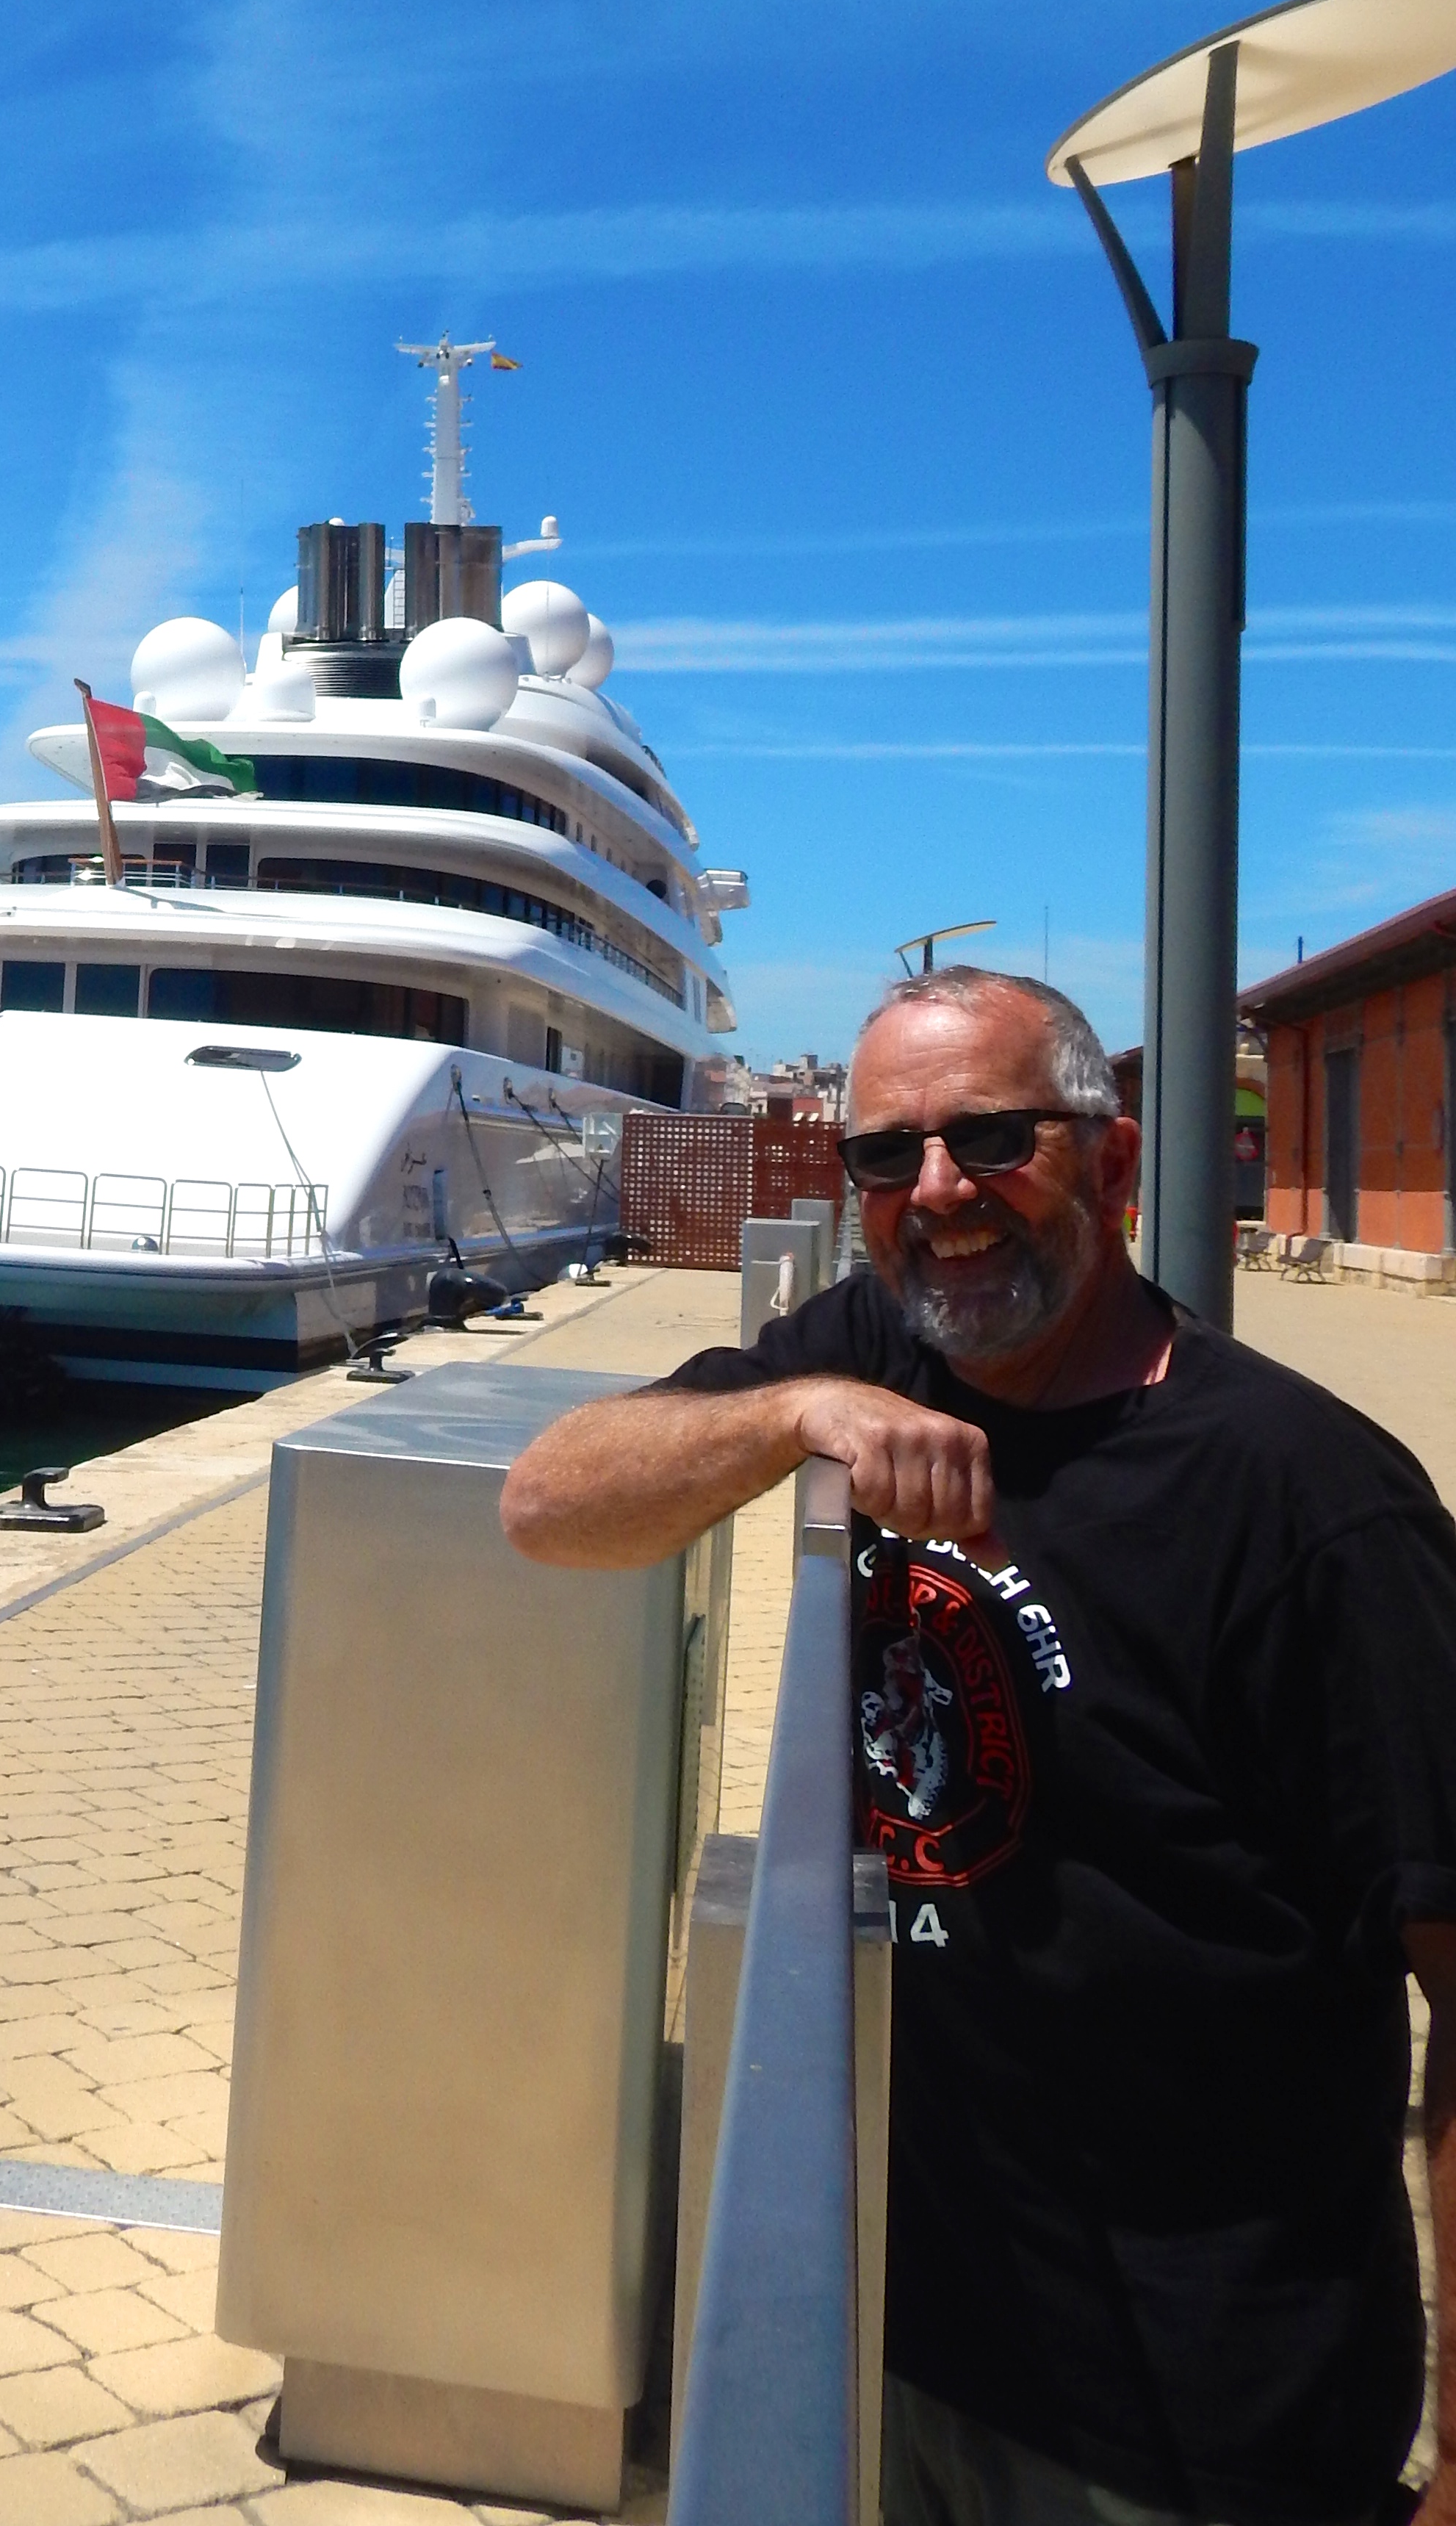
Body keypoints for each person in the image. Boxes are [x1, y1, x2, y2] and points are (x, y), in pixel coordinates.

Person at [500, 965, 1456, 2526]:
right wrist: (794, 1413)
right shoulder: (880, 1349)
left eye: (995, 1138)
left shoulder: (1308, 1506)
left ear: (1116, 1162)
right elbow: (551, 1503)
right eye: (887, 1154)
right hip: (897, 2333)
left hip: (1198, 2418)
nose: (939, 1190)